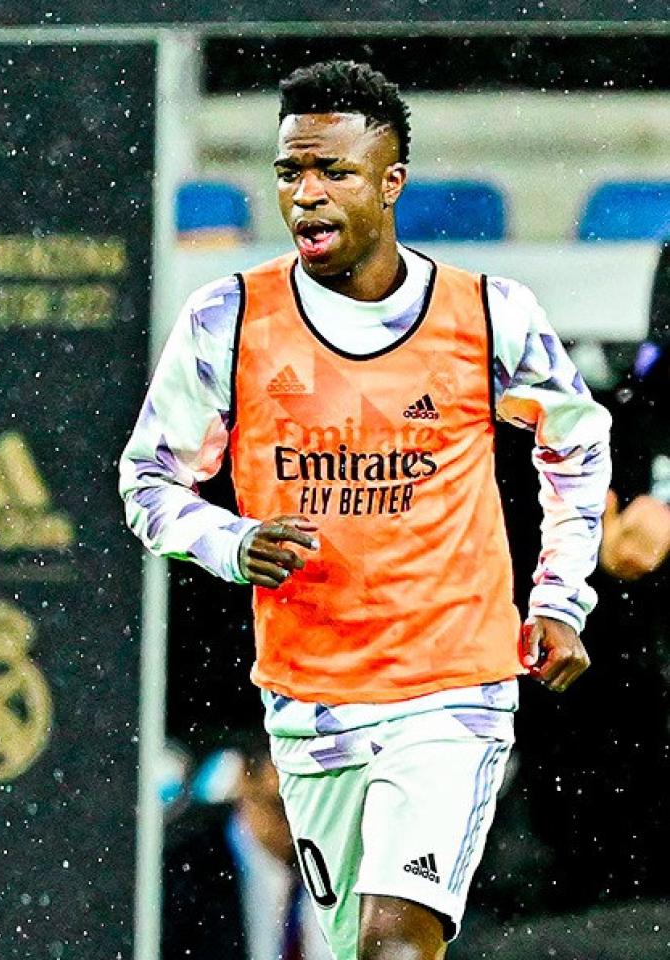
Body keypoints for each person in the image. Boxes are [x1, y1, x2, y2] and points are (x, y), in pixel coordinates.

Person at [119, 60, 611, 960]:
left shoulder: (486, 313)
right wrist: (228, 541)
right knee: (353, 946)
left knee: (394, 945)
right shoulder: (226, 319)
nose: (305, 196)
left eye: (333, 173)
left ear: (391, 183)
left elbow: (577, 442)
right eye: (288, 173)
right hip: (310, 701)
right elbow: (147, 482)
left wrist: (558, 597)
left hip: (450, 688)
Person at [163, 742, 333, 960]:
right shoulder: (179, 876)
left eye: (315, 809)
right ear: (245, 779)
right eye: (282, 809)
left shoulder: (352, 866)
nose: (299, 829)